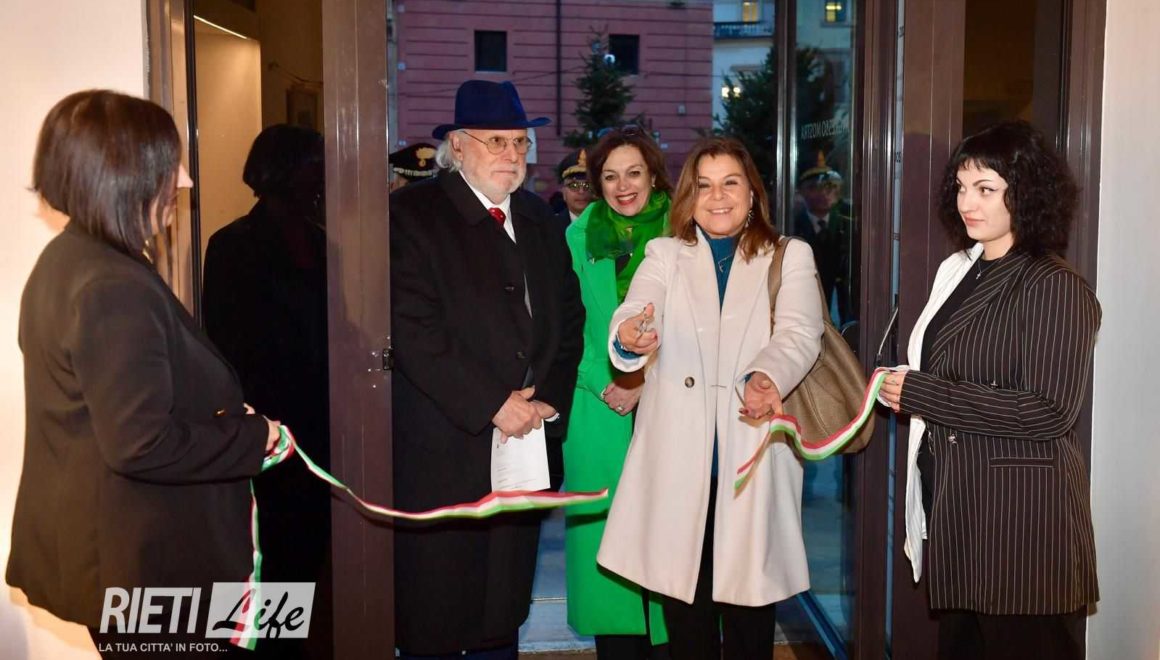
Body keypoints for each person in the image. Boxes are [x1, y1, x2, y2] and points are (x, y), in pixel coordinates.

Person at [6, 90, 280, 658]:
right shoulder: (113, 285)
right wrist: (254, 439)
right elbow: (140, 443)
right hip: (146, 568)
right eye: (169, 165)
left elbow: (115, 402)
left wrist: (216, 413)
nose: (184, 181)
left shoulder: (71, 260)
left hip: (126, 559)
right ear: (125, 175)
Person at [878, 120, 1100, 660]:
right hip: (960, 516)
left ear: (1025, 193)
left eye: (985, 189)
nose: (966, 203)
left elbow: (1049, 411)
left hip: (1023, 531)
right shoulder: (961, 270)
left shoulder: (1054, 284)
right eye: (960, 187)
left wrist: (921, 394)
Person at [597, 137, 824, 659]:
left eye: (730, 183)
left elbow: (799, 333)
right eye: (703, 185)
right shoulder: (665, 255)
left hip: (749, 461)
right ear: (688, 196)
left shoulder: (788, 255)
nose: (717, 197)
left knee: (749, 618)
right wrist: (629, 336)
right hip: (679, 469)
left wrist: (766, 376)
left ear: (752, 193)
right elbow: (635, 311)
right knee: (687, 621)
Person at [389, 79, 585, 658]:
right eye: (496, 141)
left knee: (502, 606)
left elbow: (569, 318)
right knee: (437, 608)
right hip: (444, 448)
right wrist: (492, 404)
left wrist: (548, 399)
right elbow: (412, 328)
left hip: (524, 444)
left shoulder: (538, 217)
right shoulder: (411, 215)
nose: (512, 154)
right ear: (457, 145)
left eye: (520, 142)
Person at [202, 124, 331, 659]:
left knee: (304, 559)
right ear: (286, 169)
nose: (323, 173)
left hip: (317, 428)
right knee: (259, 558)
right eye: (315, 162)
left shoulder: (321, 241)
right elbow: (226, 347)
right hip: (263, 430)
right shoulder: (231, 245)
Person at [562, 126, 672, 658]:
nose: (623, 186)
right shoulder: (578, 236)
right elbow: (566, 326)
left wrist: (644, 381)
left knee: (670, 540)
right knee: (607, 548)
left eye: (633, 173)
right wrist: (608, 381)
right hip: (597, 407)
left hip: (672, 404)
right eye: (609, 176)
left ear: (653, 176)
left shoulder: (685, 232)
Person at [792, 153, 856, 324]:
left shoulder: (849, 224)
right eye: (814, 187)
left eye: (829, 187)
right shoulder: (792, 226)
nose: (823, 193)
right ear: (801, 192)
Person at [556, 147, 593, 225]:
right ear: (563, 192)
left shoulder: (613, 227)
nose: (581, 191)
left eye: (587, 185)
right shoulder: (549, 227)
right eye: (574, 185)